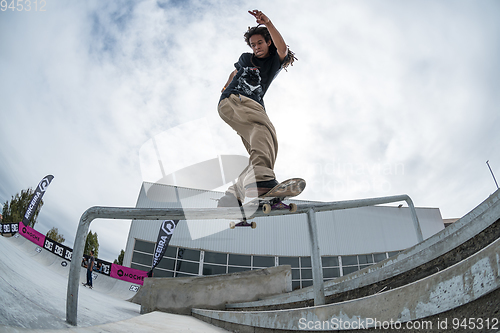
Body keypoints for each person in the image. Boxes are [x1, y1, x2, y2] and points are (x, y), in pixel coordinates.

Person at [217, 9, 296, 207]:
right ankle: (262, 181)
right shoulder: (246, 57)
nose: (256, 48)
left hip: (240, 107)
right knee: (264, 130)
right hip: (238, 101)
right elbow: (235, 71)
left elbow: (283, 49)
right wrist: (226, 85)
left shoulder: (273, 61)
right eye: (253, 45)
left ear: (268, 42)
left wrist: (268, 23)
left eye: (259, 43)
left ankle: (233, 195)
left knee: (264, 150)